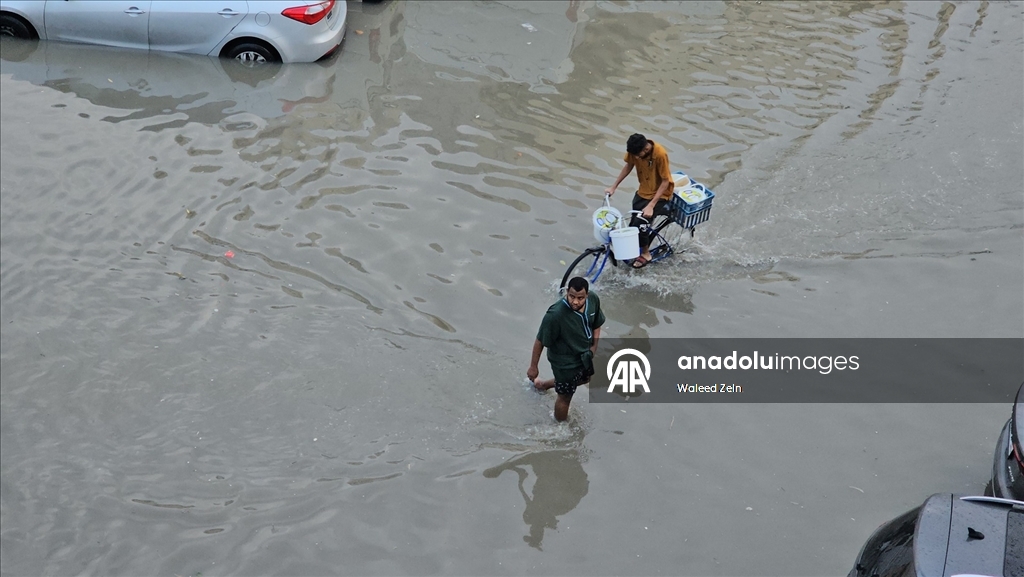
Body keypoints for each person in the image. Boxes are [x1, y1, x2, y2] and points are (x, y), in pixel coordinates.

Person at [527, 276, 604, 421]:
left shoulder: (593, 300)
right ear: (567, 292)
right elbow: (540, 340)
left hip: (584, 355)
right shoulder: (555, 315)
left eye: (580, 298)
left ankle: (543, 385)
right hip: (564, 361)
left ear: (587, 295)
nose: (575, 301)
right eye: (572, 296)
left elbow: (597, 324)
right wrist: (533, 367)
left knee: (585, 378)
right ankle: (560, 426)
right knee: (565, 396)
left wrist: (594, 347)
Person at [604, 133, 678, 268]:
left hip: (660, 195)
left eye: (638, 155)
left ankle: (646, 253)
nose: (636, 158)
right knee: (633, 224)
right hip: (643, 191)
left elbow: (665, 181)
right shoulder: (635, 152)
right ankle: (634, 249)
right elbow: (628, 165)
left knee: (642, 223)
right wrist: (614, 186)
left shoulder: (660, 154)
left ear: (646, 149)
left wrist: (651, 205)